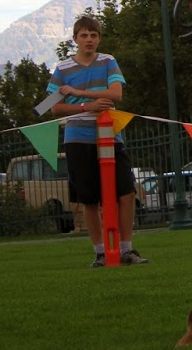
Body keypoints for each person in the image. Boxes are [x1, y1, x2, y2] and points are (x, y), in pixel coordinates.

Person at [46, 16, 147, 267]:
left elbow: (116, 94)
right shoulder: (63, 69)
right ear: (75, 39)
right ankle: (101, 252)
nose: (89, 39)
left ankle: (127, 249)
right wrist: (85, 106)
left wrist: (79, 92)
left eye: (93, 35)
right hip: (78, 139)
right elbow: (52, 108)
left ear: (99, 38)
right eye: (84, 35)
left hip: (111, 135)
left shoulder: (108, 61)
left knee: (126, 193)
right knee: (88, 199)